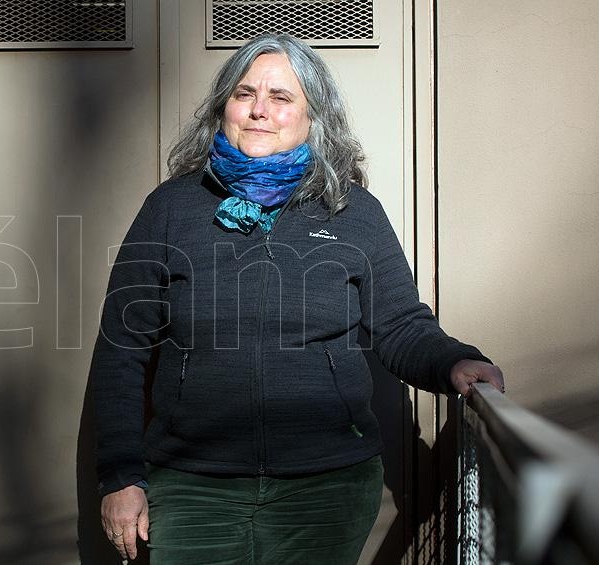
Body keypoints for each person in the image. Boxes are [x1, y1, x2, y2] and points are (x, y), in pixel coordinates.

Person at [88, 34, 504, 565]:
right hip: (193, 487)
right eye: (244, 94)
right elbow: (122, 347)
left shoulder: (353, 212)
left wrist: (454, 361)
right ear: (224, 109)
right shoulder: (171, 208)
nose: (260, 110)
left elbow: (400, 323)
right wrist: (119, 476)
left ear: (314, 116)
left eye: (281, 98)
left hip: (326, 487)